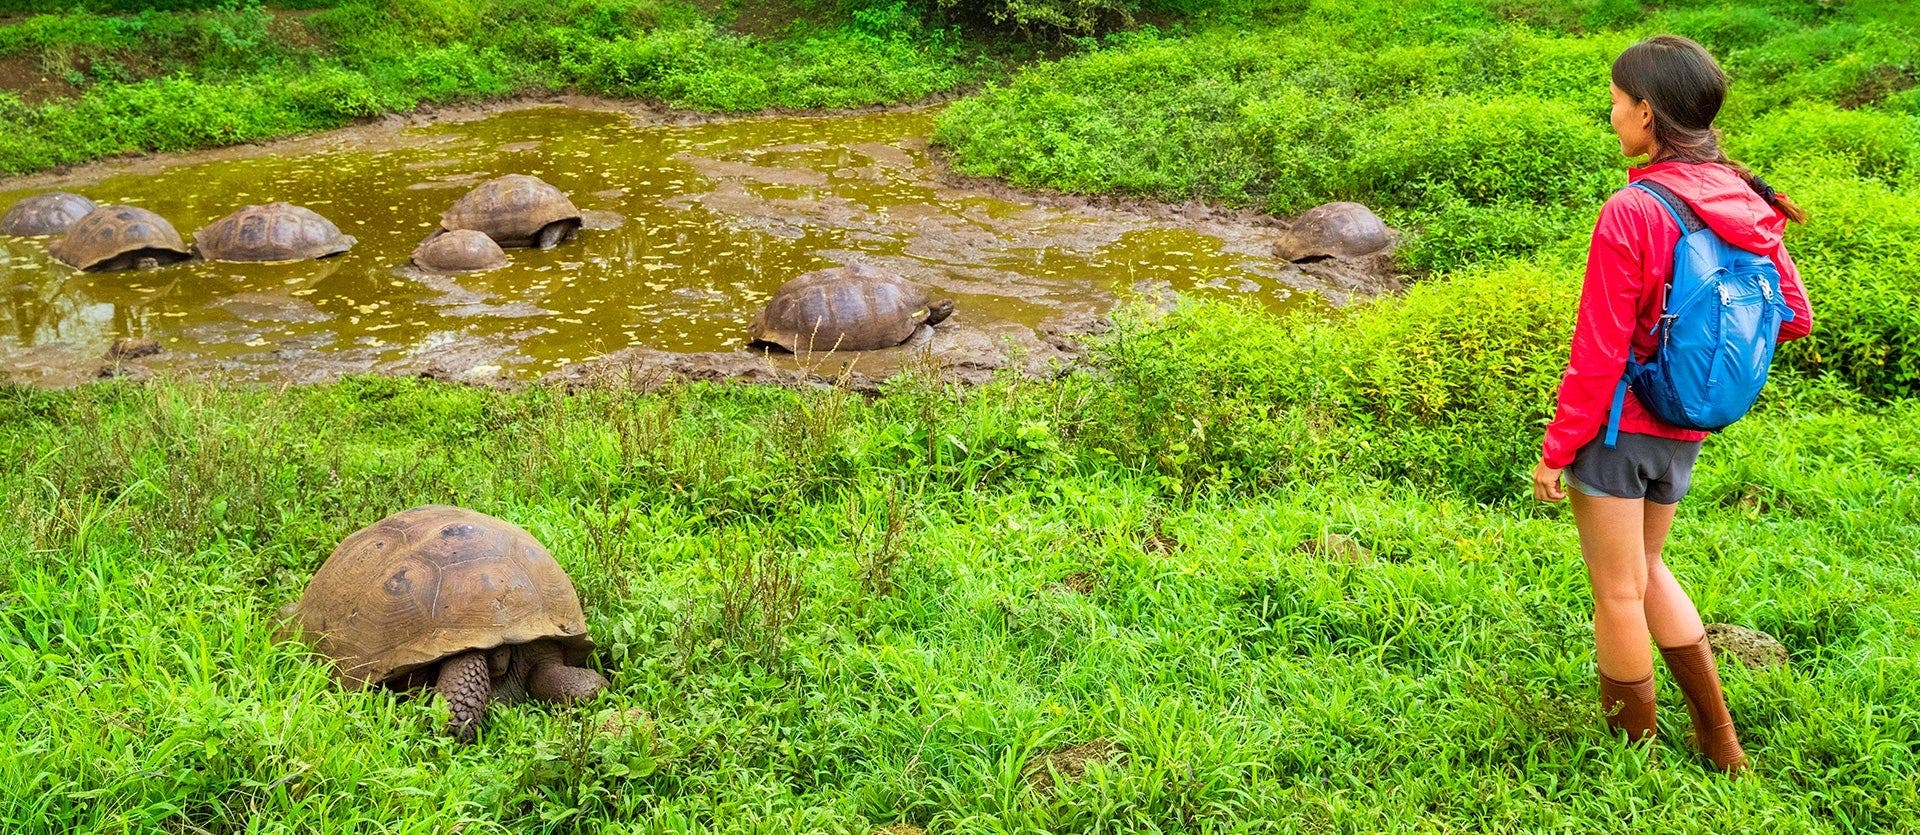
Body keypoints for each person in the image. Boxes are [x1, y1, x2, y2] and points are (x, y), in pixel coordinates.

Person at [1530, 35, 1813, 773]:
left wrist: (1557, 449)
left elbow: (1596, 355)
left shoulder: (1633, 209)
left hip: (1620, 428)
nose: (1613, 112)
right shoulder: (1744, 197)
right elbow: (1792, 313)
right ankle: (1721, 742)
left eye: (1618, 102)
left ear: (1648, 114)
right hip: (1685, 424)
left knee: (1617, 592)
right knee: (1651, 568)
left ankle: (1633, 763)